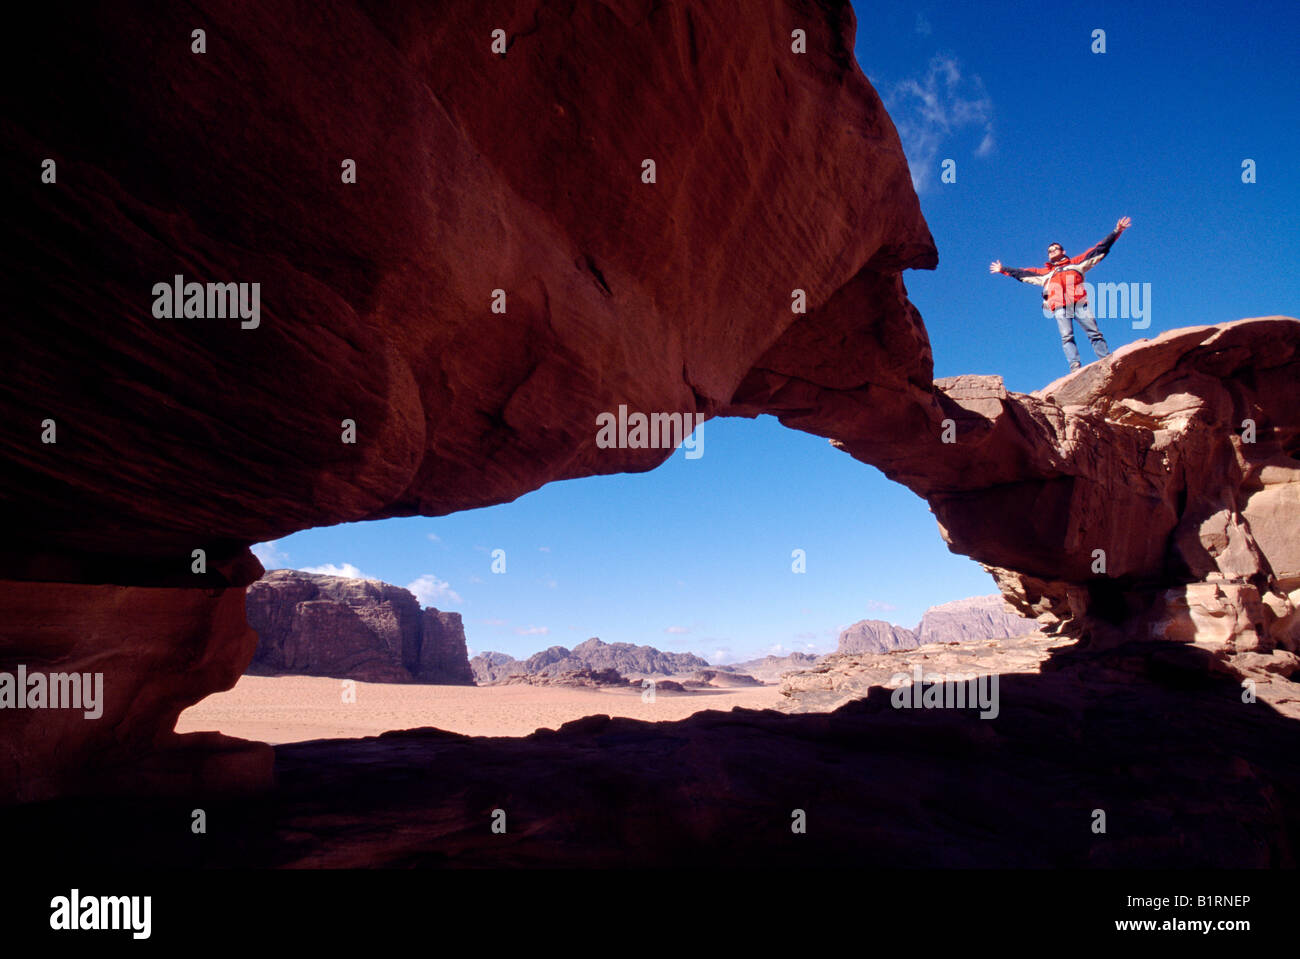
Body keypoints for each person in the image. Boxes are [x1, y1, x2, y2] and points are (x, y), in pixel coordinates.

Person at [989, 216, 1131, 372]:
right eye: (1049, 251)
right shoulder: (1045, 274)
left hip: (1078, 303)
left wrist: (1117, 231)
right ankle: (1075, 368)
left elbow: (1099, 249)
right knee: (1067, 337)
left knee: (1094, 333)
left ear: (1063, 251)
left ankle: (1106, 360)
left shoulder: (1077, 263)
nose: (1052, 252)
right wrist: (1003, 269)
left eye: (1055, 249)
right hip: (1059, 307)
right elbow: (1023, 273)